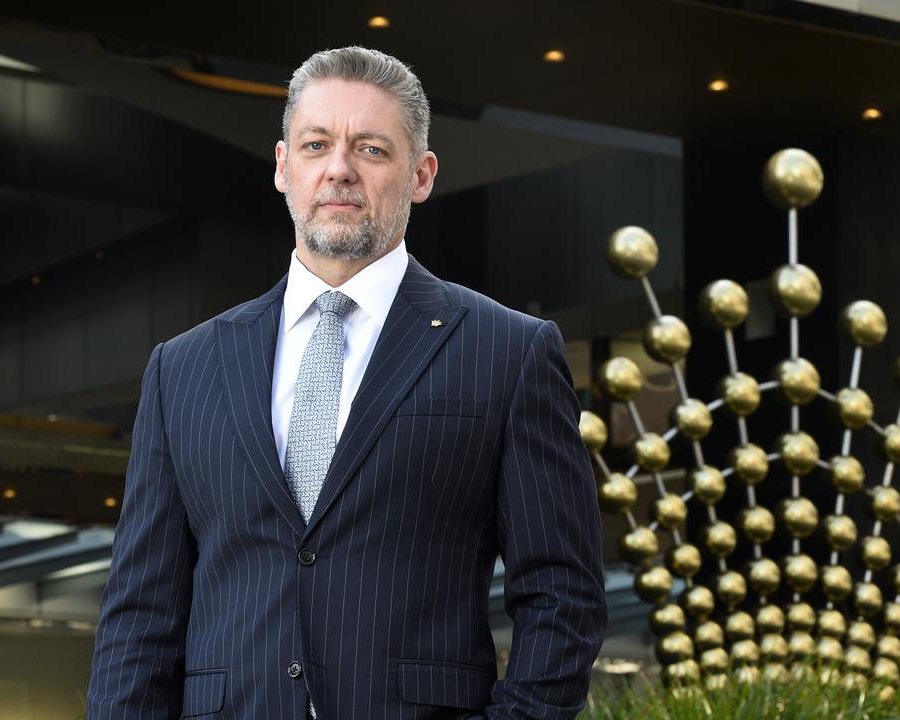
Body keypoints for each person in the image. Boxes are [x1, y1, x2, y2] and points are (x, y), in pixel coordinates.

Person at [87, 46, 607, 719]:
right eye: (316, 145)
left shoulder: (508, 352)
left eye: (371, 149)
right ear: (282, 167)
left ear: (421, 175)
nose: (338, 170)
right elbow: (139, 616)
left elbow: (563, 596)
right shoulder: (182, 368)